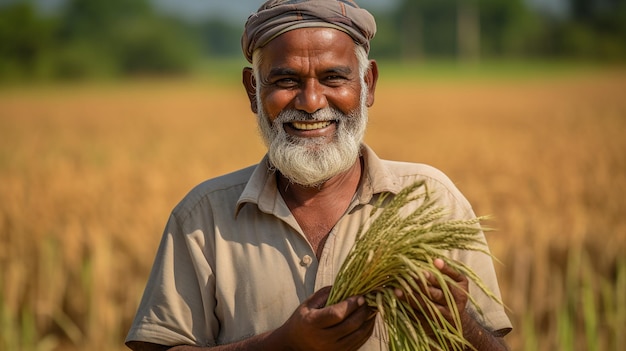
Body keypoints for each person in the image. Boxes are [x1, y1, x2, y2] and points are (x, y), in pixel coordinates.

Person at [125, 1, 512, 350]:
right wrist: (282, 345)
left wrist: (458, 324)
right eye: (286, 81)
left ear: (368, 84)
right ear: (251, 89)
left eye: (333, 78)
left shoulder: (432, 201)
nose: (311, 103)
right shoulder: (202, 217)